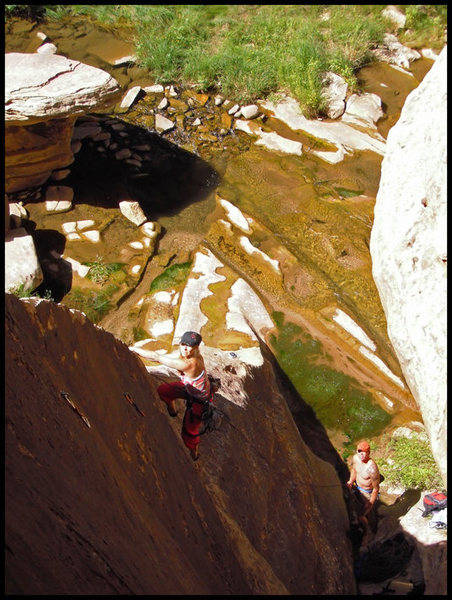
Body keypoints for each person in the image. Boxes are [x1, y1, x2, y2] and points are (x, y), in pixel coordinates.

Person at [130, 331, 213, 462]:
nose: (185, 348)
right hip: (190, 390)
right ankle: (172, 410)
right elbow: (173, 357)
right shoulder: (192, 356)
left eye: (189, 346)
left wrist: (134, 349)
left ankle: (195, 453)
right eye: (183, 344)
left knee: (189, 433)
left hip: (199, 401)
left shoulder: (190, 363)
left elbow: (157, 357)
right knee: (163, 391)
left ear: (196, 348)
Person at [346, 440, 381, 545]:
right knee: (357, 510)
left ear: (368, 452)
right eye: (359, 451)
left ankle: (369, 533)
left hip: (368, 492)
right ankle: (361, 524)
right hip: (358, 488)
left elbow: (376, 489)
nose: (361, 454)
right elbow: (354, 470)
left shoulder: (371, 468)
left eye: (364, 452)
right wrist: (351, 481)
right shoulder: (356, 458)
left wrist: (370, 503)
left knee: (366, 514)